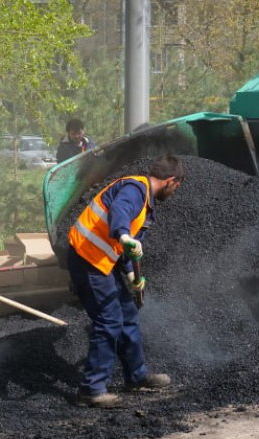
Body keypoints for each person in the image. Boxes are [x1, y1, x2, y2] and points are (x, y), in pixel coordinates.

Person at [67, 155, 185, 408]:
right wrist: (123, 235)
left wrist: (131, 276)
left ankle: (136, 376)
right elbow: (120, 214)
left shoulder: (145, 203)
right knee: (108, 319)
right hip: (87, 258)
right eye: (177, 187)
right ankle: (91, 389)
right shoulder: (135, 190)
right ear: (171, 180)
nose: (176, 192)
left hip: (102, 261)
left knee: (127, 312)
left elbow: (126, 250)